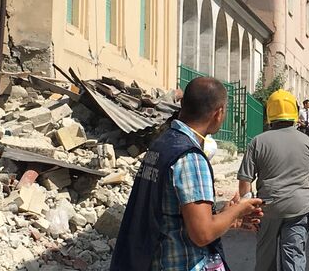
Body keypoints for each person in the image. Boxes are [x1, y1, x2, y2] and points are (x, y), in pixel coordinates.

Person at [111, 77, 264, 271]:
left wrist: (228, 218)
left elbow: (172, 214)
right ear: (219, 113)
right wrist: (238, 209)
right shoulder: (190, 157)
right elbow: (202, 234)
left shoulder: (164, 143)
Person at [238, 89, 309, 271]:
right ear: (294, 112)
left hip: (267, 208)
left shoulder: (258, 142)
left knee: (265, 259)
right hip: (298, 208)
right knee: (294, 258)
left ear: (270, 113)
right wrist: (302, 194)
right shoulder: (307, 141)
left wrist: (249, 209)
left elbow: (245, 181)